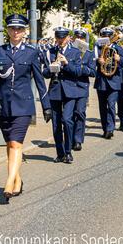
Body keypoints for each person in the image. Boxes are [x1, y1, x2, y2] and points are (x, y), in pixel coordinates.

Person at [0, 14, 51, 204]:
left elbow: (40, 81)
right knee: (10, 145)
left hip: (23, 106)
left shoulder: (31, 52)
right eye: (13, 29)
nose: (16, 32)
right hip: (4, 105)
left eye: (20, 29)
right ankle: (18, 180)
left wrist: (46, 106)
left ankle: (8, 184)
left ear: (25, 32)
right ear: (7, 31)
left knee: (16, 144)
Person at [42, 27, 82, 164]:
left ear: (68, 38)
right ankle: (60, 153)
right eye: (58, 38)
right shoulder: (50, 52)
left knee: (67, 120)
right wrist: (51, 68)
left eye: (63, 38)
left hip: (70, 91)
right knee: (56, 124)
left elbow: (77, 72)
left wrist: (66, 63)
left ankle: (68, 151)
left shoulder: (75, 52)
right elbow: (45, 73)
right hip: (55, 91)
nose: (61, 41)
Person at [94, 27, 123, 139]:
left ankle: (110, 129)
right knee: (102, 107)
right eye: (104, 36)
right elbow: (91, 60)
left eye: (108, 36)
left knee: (111, 105)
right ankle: (105, 128)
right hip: (101, 81)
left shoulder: (117, 47)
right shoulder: (97, 48)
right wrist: (98, 61)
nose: (106, 38)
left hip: (114, 80)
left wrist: (119, 60)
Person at [72, 28, 95, 151]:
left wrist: (81, 68)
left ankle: (78, 140)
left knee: (80, 112)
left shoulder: (89, 53)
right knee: (69, 114)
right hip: (69, 86)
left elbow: (92, 72)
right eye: (77, 37)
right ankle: (70, 138)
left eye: (81, 38)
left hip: (82, 86)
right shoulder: (69, 51)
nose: (79, 40)